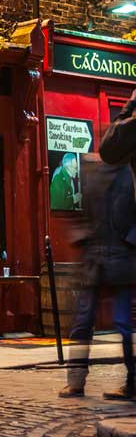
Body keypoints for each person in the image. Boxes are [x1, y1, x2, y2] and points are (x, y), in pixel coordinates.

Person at [59, 154, 136, 400]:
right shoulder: (93, 172)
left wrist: (129, 243)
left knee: (123, 323)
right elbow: (83, 214)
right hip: (95, 260)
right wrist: (82, 235)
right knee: (83, 321)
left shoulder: (131, 173)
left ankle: (133, 382)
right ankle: (76, 382)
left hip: (122, 260)